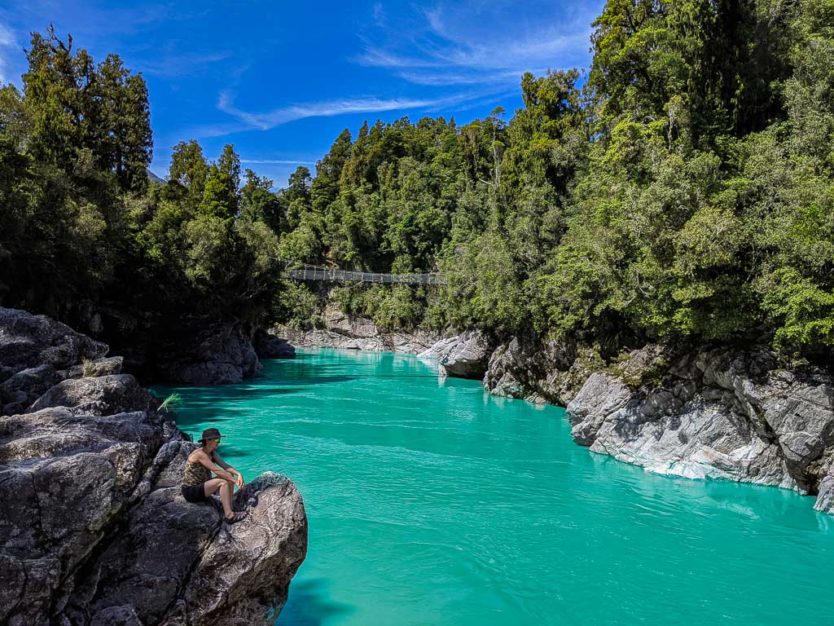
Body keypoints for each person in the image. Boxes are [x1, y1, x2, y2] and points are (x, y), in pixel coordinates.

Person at [181, 427, 246, 523]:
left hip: (202, 486)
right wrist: (236, 482)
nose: (219, 442)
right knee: (223, 482)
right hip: (191, 491)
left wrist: (238, 474)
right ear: (208, 440)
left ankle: (229, 507)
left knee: (228, 474)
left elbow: (225, 466)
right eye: (216, 439)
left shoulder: (212, 453)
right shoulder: (200, 454)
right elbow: (217, 470)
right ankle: (229, 516)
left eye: (219, 439)